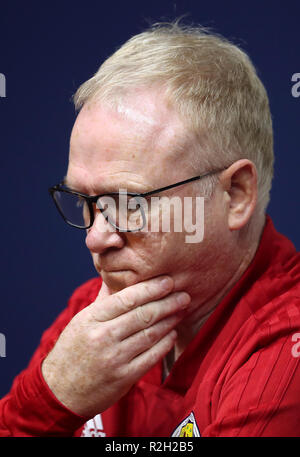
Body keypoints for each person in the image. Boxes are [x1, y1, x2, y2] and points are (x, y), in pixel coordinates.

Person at [1, 21, 299, 438]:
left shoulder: (287, 350)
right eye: (86, 202)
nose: (94, 238)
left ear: (235, 194)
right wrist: (49, 401)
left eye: (128, 203)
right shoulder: (95, 313)